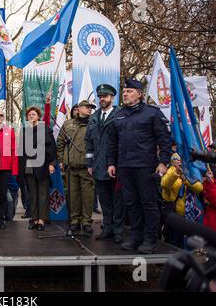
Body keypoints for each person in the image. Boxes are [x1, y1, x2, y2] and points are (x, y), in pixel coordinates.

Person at [107, 78, 171, 254]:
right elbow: (112, 142)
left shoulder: (152, 113)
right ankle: (136, 236)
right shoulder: (118, 114)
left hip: (146, 166)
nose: (125, 94)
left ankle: (150, 238)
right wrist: (111, 163)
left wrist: (164, 162)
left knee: (148, 203)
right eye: (125, 91)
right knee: (131, 203)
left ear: (139, 95)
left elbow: (164, 139)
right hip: (124, 166)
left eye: (129, 91)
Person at [86, 84, 124, 243]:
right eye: (100, 96)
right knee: (105, 201)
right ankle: (107, 228)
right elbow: (89, 142)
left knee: (118, 201)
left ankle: (118, 231)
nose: (102, 99)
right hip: (98, 166)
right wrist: (89, 163)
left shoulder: (120, 114)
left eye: (105, 96)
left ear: (112, 98)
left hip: (116, 166)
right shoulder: (94, 117)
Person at [57, 100, 96, 235]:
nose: (90, 109)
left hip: (87, 167)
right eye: (87, 107)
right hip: (70, 166)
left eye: (91, 108)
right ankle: (74, 220)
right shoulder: (68, 124)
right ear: (78, 109)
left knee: (87, 197)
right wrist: (61, 160)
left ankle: (86, 222)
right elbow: (60, 143)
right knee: (73, 195)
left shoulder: (94, 124)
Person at [19, 106, 56, 231]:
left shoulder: (45, 130)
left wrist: (52, 163)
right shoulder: (24, 131)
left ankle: (41, 220)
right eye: (29, 115)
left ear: (38, 117)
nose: (31, 116)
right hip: (28, 166)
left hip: (42, 165)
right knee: (32, 195)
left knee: (42, 194)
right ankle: (34, 219)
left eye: (33, 114)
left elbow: (52, 148)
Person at [161, 153, 203, 247]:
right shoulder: (170, 171)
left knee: (186, 241)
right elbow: (165, 184)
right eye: (176, 159)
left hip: (188, 213)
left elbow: (199, 188)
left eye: (181, 159)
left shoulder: (190, 172)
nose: (179, 161)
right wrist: (176, 173)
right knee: (172, 240)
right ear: (172, 161)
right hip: (172, 212)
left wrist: (185, 179)